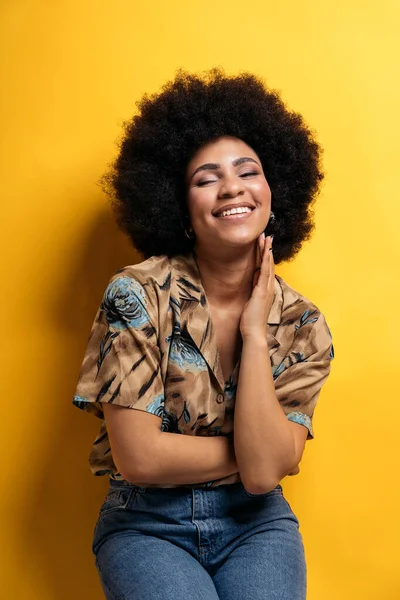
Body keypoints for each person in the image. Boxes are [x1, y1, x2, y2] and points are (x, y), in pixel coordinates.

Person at [73, 68, 334, 600]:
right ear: (182, 209)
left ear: (273, 190)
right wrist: (257, 452)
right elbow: (141, 458)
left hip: (256, 523)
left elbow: (263, 485)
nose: (232, 186)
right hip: (147, 522)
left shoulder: (304, 326)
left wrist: (256, 334)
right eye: (206, 177)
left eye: (248, 171)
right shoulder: (137, 293)